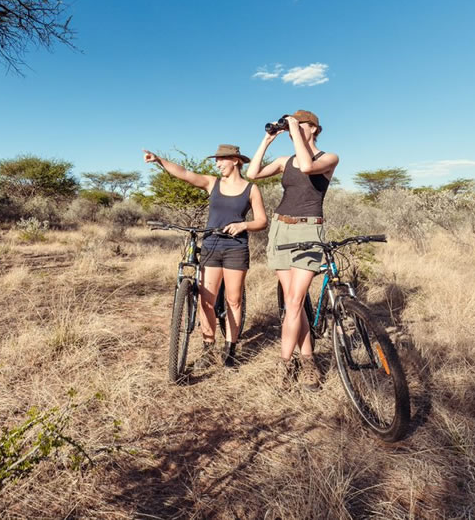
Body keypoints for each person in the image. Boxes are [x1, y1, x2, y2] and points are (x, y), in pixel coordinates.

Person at [143, 145, 267, 369]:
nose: (217, 163)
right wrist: (159, 160)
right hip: (211, 245)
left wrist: (243, 225)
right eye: (217, 160)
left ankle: (230, 350)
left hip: (236, 248)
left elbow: (261, 221)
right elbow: (184, 174)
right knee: (206, 301)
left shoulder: (251, 189)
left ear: (236, 161)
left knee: (233, 300)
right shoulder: (212, 183)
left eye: (222, 159)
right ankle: (209, 348)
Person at [246, 110, 339, 390]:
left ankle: (285, 364)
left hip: (309, 229)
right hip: (280, 228)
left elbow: (308, 167)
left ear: (315, 129)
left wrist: (295, 129)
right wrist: (267, 140)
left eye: (302, 125)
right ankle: (308, 359)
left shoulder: (328, 158)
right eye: (293, 126)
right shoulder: (285, 161)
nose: (294, 129)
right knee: (292, 303)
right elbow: (252, 173)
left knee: (296, 302)